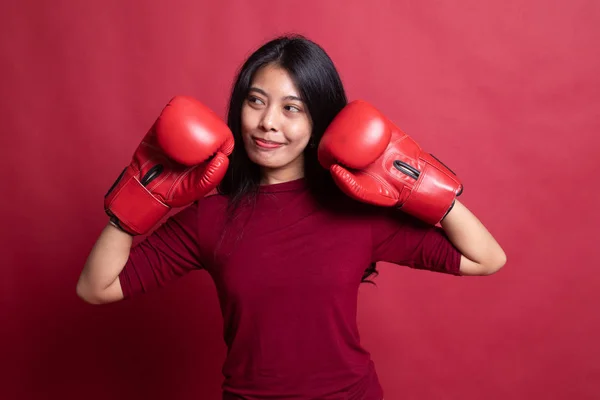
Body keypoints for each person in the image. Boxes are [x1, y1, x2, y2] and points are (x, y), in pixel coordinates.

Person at [77, 34, 506, 400]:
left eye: (291, 108)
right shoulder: (210, 217)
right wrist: (137, 200)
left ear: (319, 122)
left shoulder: (356, 212)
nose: (267, 124)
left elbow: (486, 258)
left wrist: (424, 185)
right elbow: (96, 288)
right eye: (256, 102)